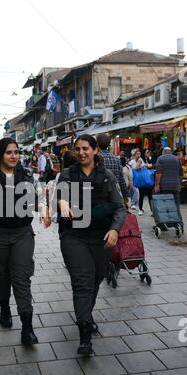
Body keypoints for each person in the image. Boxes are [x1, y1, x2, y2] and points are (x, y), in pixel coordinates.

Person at [54, 135, 126, 356]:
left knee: (95, 280)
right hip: (73, 236)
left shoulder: (107, 176)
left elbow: (120, 207)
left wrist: (114, 229)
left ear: (95, 150)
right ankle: (84, 335)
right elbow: (61, 192)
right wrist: (63, 202)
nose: (81, 152)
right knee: (83, 282)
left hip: (101, 238)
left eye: (85, 148)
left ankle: (87, 314)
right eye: (78, 149)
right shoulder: (67, 174)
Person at [0, 138, 51, 346]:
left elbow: (35, 199)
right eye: (9, 152)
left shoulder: (26, 174)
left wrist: (43, 209)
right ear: (1, 154)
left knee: (21, 277)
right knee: (2, 275)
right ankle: (4, 308)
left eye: (16, 152)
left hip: (22, 234)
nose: (14, 156)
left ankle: (27, 327)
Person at [155, 147, 184, 229]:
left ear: (163, 152)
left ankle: (163, 225)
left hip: (164, 186)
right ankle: (179, 223)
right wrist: (179, 184)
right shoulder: (177, 159)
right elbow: (181, 174)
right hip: (175, 186)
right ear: (171, 152)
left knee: (164, 206)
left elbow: (158, 173)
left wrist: (157, 185)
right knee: (176, 205)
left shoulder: (160, 158)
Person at [97, 134, 129, 200]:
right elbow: (121, 180)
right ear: (109, 144)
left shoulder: (95, 159)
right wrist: (126, 196)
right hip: (115, 195)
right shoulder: (117, 159)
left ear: (97, 144)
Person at [130, 150, 153, 216]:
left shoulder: (147, 159)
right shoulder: (140, 160)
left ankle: (151, 210)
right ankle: (140, 209)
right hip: (141, 180)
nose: (138, 155)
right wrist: (144, 166)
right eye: (137, 154)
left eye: (139, 154)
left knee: (149, 195)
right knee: (141, 195)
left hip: (145, 179)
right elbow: (137, 168)